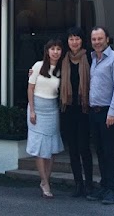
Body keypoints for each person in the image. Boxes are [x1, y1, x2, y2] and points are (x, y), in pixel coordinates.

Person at [86, 25, 114, 205]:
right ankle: (104, 185)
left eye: (100, 39)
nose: (97, 42)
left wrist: (112, 112)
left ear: (107, 39)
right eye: (94, 39)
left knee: (110, 152)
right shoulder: (94, 59)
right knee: (100, 151)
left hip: (108, 112)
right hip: (94, 112)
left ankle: (112, 189)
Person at [27, 39, 65, 198]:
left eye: (58, 49)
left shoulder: (63, 69)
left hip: (52, 109)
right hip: (37, 108)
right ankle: (44, 181)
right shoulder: (38, 66)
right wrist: (32, 110)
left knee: (51, 148)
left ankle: (46, 180)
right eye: (52, 49)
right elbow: (30, 88)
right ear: (47, 51)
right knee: (40, 147)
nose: (55, 52)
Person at [58, 27, 94, 198]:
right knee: (72, 148)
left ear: (82, 40)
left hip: (84, 109)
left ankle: (89, 184)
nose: (74, 42)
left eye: (77, 39)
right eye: (71, 39)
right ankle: (78, 183)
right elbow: (47, 69)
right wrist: (32, 72)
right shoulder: (62, 59)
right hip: (68, 109)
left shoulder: (90, 58)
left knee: (84, 147)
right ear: (67, 41)